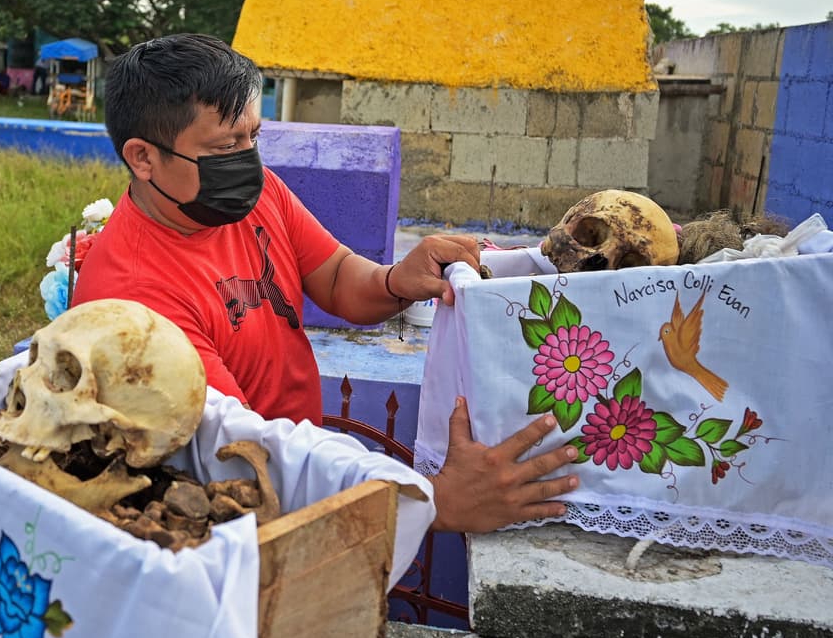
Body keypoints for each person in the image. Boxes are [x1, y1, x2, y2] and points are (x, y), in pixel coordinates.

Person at [73, 34, 579, 533]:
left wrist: (397, 280)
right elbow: (239, 457)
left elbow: (335, 275)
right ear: (142, 157)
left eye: (254, 137)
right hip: (244, 517)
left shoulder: (255, 195)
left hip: (302, 461)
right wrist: (436, 504)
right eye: (226, 145)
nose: (248, 159)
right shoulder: (133, 303)